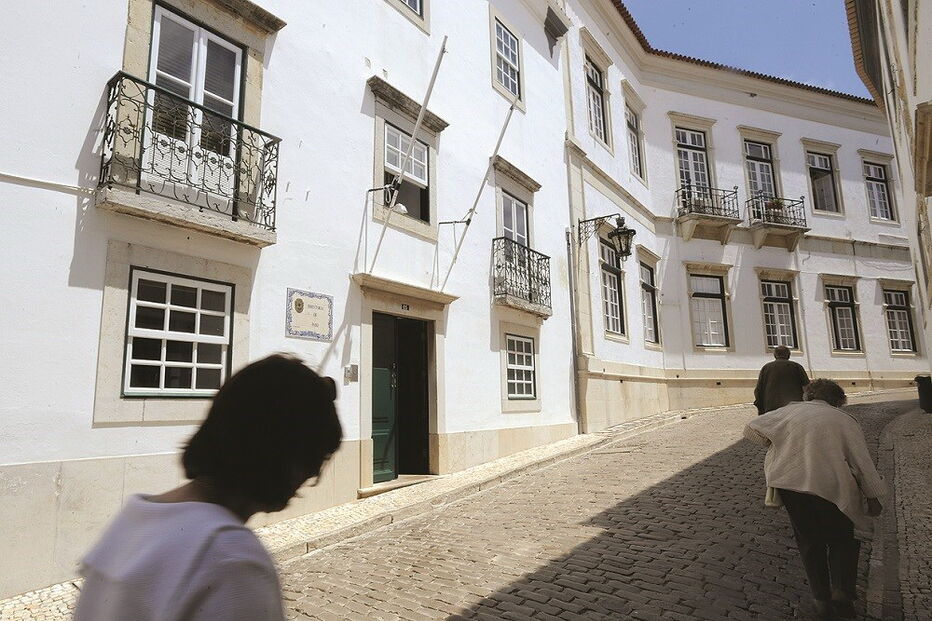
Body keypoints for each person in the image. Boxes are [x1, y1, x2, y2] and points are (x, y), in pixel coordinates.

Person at [73, 354, 342, 621]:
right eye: (314, 460)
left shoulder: (132, 520)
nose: (310, 476)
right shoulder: (231, 559)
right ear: (284, 456)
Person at [744, 379, 885, 619]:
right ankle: (841, 591)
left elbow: (751, 429)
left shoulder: (789, 412)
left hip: (792, 486)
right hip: (832, 488)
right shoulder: (844, 420)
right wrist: (873, 497)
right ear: (838, 401)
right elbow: (861, 462)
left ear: (808, 395)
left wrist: (773, 440)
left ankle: (821, 599)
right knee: (842, 539)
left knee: (809, 542)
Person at [753, 345, 810, 415]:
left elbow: (759, 389)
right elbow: (807, 387)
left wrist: (761, 408)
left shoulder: (766, 368)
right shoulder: (797, 367)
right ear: (788, 355)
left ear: (775, 355)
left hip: (771, 407)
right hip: (793, 408)